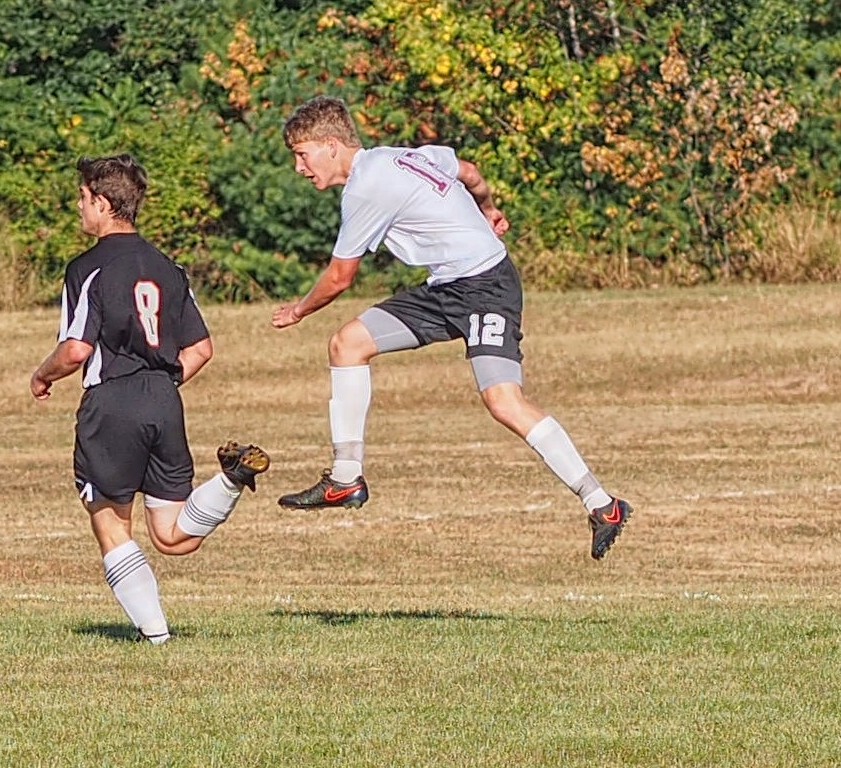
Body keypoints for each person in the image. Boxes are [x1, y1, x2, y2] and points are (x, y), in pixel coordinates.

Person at [269, 96, 631, 560]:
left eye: (302, 155)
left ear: (330, 145)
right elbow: (471, 173)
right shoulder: (400, 155)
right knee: (347, 344)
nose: (299, 167)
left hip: (485, 286)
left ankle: (603, 505)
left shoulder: (364, 188)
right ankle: (345, 479)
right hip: (446, 288)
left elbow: (340, 277)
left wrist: (298, 311)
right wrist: (489, 210)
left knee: (503, 401)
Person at [31, 154, 270, 643]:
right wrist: (158, 384)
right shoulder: (169, 267)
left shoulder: (87, 268)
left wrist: (41, 375)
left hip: (112, 402)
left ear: (103, 203)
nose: (79, 207)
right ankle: (231, 479)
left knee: (111, 523)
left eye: (82, 198)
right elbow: (201, 349)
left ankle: (156, 637)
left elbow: (76, 349)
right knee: (173, 536)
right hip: (164, 399)